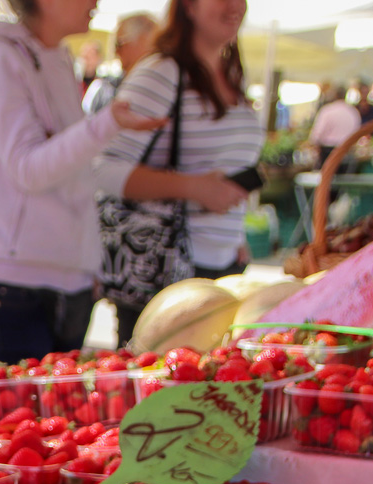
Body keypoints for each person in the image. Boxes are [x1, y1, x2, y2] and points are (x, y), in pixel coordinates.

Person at [0, 0, 166, 364]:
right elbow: (29, 168)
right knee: (14, 421)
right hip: (14, 287)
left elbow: (66, 167)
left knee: (53, 419)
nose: (96, 2)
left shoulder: (56, 56)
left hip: (66, 284)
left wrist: (85, 259)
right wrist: (107, 122)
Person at [96, 0, 263, 344]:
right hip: (167, 276)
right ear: (188, 5)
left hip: (225, 270)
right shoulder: (161, 72)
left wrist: (235, 236)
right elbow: (102, 170)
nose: (236, 6)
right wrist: (194, 188)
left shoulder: (229, 73)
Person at [83, 12, 156, 114]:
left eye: (119, 44)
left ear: (142, 42)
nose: (115, 52)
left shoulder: (164, 89)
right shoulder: (103, 90)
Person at [310, 86, 363, 172]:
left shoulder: (327, 110)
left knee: (327, 179)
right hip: (347, 151)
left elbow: (317, 135)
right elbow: (357, 133)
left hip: (328, 151)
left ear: (334, 95)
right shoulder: (353, 112)